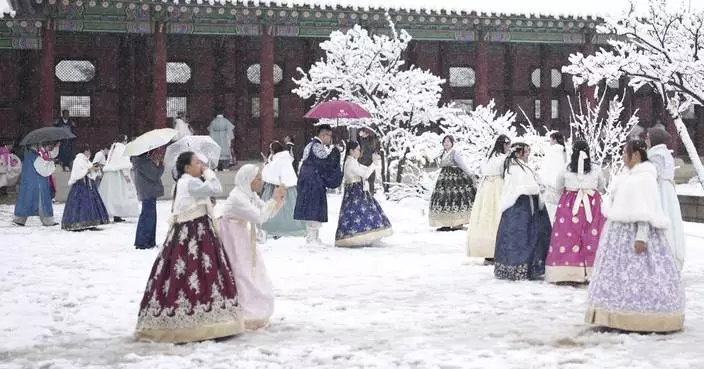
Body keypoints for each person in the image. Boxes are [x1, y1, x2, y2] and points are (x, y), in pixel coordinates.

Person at [135, 151, 245, 342]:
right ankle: (200, 321)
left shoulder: (183, 183)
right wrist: (209, 172)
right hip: (194, 231)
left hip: (184, 231)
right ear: (187, 168)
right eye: (197, 162)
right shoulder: (190, 182)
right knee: (198, 270)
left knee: (179, 271)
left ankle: (182, 319)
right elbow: (217, 187)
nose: (200, 164)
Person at [586, 139, 684, 333]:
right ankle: (613, 313)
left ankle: (641, 317)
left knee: (640, 274)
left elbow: (645, 210)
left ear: (637, 155)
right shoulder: (628, 175)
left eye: (625, 152)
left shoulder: (645, 177)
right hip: (619, 232)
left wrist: (641, 237)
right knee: (618, 274)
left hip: (635, 234)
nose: (623, 156)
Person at [214, 164, 285, 330]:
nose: (261, 182)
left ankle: (253, 307)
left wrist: (277, 200)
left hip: (241, 234)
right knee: (240, 271)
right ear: (248, 180)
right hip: (232, 236)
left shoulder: (249, 194)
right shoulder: (238, 197)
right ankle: (244, 310)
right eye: (258, 178)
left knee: (249, 269)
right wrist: (273, 200)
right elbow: (259, 217)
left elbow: (266, 213)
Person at [544, 140, 606, 283]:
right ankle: (590, 271)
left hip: (569, 206)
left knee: (567, 237)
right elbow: (601, 186)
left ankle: (566, 272)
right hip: (592, 205)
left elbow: (558, 186)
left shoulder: (565, 169)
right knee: (591, 237)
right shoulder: (596, 169)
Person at [494, 142, 552, 281]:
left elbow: (534, 181)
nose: (528, 155)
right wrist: (536, 188)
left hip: (528, 206)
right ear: (519, 153)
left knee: (532, 236)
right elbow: (523, 186)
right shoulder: (514, 168)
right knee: (521, 237)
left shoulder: (522, 166)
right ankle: (518, 267)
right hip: (519, 207)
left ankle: (531, 266)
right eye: (526, 152)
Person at [333, 141, 392, 247]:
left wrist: (373, 163)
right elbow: (364, 174)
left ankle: (367, 238)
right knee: (360, 214)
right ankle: (358, 238)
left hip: (357, 191)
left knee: (364, 213)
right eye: (358, 150)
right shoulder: (350, 162)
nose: (359, 152)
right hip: (355, 192)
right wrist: (374, 163)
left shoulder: (353, 161)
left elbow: (364, 169)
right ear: (351, 151)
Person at [294, 124, 343, 245]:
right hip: (313, 182)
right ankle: (312, 238)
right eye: (329, 135)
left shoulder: (310, 145)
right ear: (323, 135)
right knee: (314, 208)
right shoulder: (317, 146)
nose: (330, 138)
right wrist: (335, 152)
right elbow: (326, 164)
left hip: (308, 181)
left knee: (311, 209)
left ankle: (313, 237)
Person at [466, 135, 511, 265]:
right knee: (497, 216)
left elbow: (483, 170)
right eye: (508, 145)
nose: (509, 148)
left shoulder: (488, 157)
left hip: (485, 188)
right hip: (498, 186)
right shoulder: (503, 159)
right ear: (503, 145)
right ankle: (498, 250)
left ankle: (487, 250)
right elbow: (506, 174)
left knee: (486, 218)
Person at [646, 127, 686, 270]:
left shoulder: (656, 154)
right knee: (670, 220)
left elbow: (653, 174)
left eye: (649, 137)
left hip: (660, 191)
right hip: (667, 191)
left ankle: (662, 258)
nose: (646, 139)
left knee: (660, 219)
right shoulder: (663, 153)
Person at [428, 135, 477, 231]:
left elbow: (462, 164)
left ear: (452, 143)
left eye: (448, 141)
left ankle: (457, 223)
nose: (446, 143)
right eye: (445, 141)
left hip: (455, 179)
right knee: (444, 199)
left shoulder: (455, 152)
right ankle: (445, 223)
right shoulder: (442, 153)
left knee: (455, 198)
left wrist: (470, 174)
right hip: (443, 180)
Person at [261, 141, 305, 238]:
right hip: (289, 187)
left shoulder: (277, 160)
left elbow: (269, 174)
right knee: (290, 208)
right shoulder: (286, 158)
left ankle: (275, 227)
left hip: (277, 188)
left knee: (274, 208)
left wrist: (266, 163)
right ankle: (291, 226)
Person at [61, 145, 110, 231]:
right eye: (88, 151)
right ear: (84, 151)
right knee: (80, 203)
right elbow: (77, 173)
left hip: (88, 184)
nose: (89, 153)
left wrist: (94, 170)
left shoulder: (86, 160)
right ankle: (78, 222)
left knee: (90, 203)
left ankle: (91, 222)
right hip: (80, 185)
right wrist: (88, 170)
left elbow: (90, 170)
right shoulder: (78, 160)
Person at [13, 142, 59, 226]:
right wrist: (52, 163)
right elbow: (44, 171)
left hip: (27, 183)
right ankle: (48, 220)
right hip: (38, 183)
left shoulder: (27, 154)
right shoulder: (35, 156)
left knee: (25, 201)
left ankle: (19, 220)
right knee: (43, 202)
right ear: (35, 145)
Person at [98, 135, 140, 223]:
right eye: (126, 140)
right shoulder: (122, 148)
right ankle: (117, 214)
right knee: (119, 195)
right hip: (118, 174)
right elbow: (123, 163)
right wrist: (126, 175)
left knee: (111, 195)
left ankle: (109, 213)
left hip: (111, 174)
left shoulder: (114, 147)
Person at [132, 148, 165, 249]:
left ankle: (148, 241)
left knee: (148, 216)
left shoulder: (140, 161)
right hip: (148, 192)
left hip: (147, 192)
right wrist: (161, 165)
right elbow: (154, 175)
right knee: (148, 217)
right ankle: (143, 242)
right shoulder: (142, 161)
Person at [538, 131, 567, 224]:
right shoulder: (564, 150)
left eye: (550, 139)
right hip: (561, 185)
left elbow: (546, 167)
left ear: (554, 140)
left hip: (550, 185)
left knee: (549, 210)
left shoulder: (552, 151)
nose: (549, 142)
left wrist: (541, 180)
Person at [357, 128, 380, 194]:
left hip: (371, 161)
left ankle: (371, 196)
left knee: (371, 181)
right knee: (361, 181)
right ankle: (362, 196)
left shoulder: (373, 137)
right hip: (361, 162)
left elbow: (377, 147)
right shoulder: (358, 138)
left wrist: (376, 153)